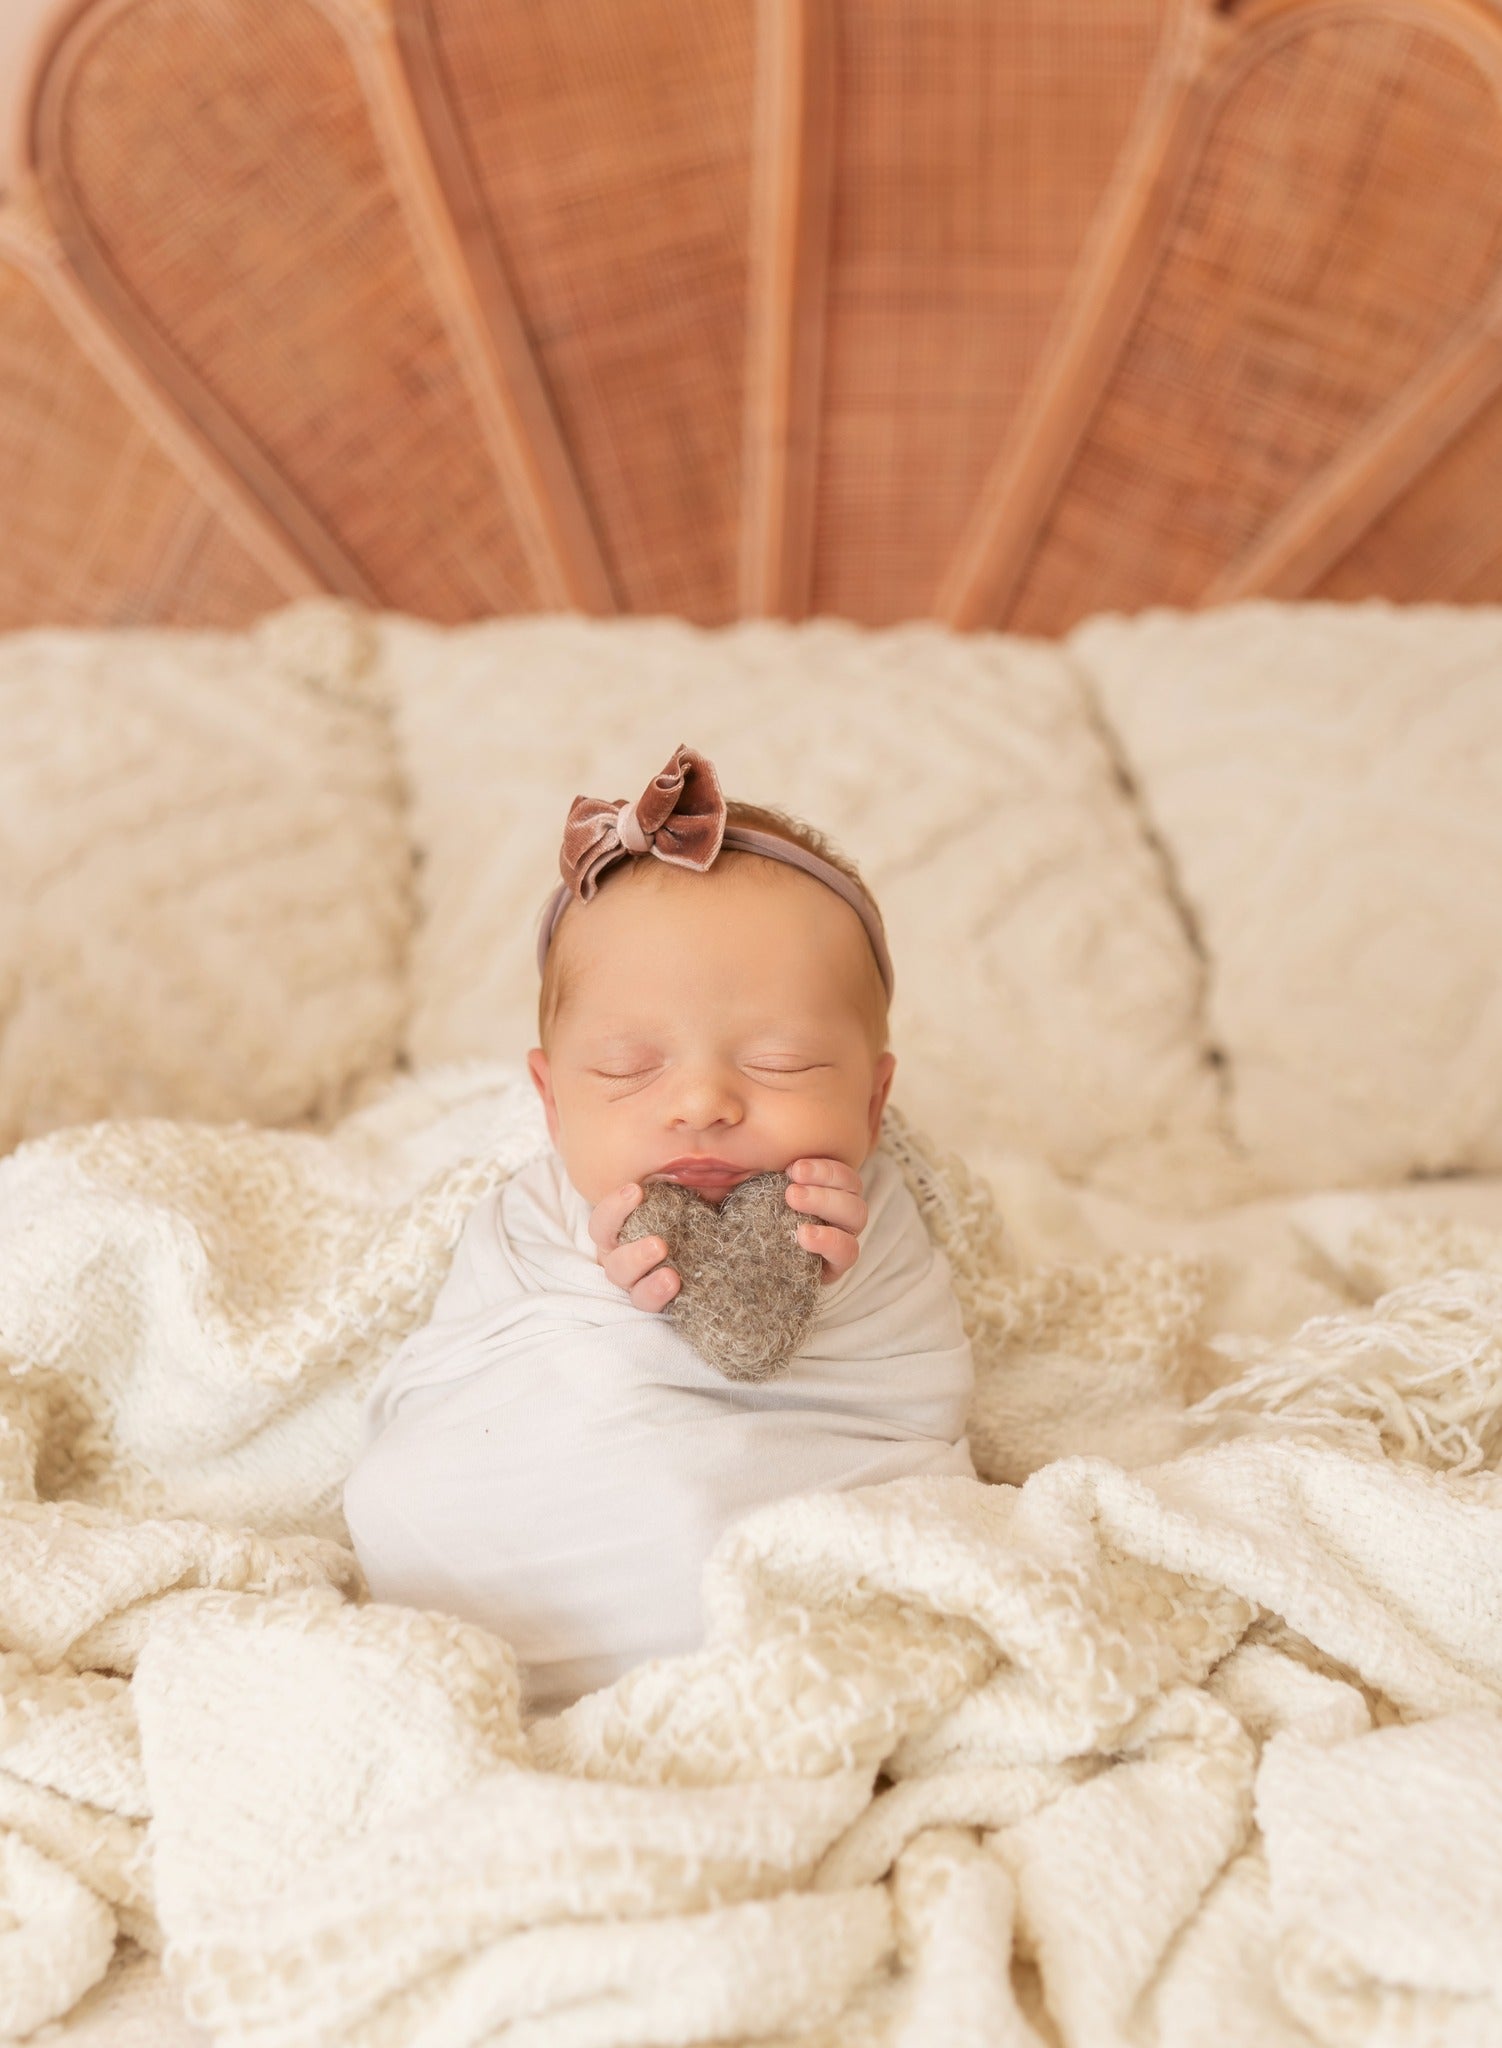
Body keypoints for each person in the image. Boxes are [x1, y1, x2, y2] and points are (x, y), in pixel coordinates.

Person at [342, 742, 975, 1714]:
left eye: (782, 1064)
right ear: (551, 1101)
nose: (701, 1102)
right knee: (399, 1486)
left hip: (773, 1504)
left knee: (733, 1520)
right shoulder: (529, 1212)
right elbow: (455, 1359)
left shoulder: (870, 1208)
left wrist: (836, 1280)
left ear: (872, 1098)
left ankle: (728, 1635)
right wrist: (603, 1278)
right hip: (524, 1499)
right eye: (630, 1069)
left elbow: (911, 1377)